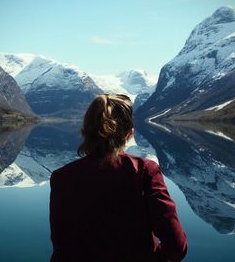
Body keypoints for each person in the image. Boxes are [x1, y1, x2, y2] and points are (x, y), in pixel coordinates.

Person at [49, 94, 188, 262]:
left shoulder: (61, 177)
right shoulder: (145, 172)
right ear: (129, 134)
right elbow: (176, 246)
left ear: (85, 131)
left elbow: (61, 243)